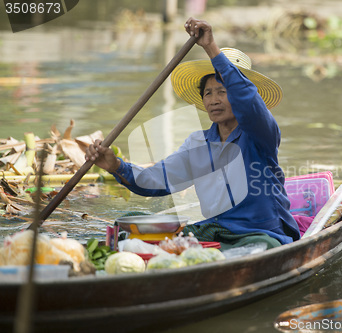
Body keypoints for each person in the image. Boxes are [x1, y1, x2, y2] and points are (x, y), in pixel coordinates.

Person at [85, 18, 300, 250]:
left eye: (222, 91)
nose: (214, 100)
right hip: (215, 231)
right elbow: (157, 180)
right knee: (128, 224)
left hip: (259, 233)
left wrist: (211, 48)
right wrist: (116, 166)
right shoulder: (198, 143)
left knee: (257, 249)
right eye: (208, 93)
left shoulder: (259, 133)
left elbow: (248, 101)